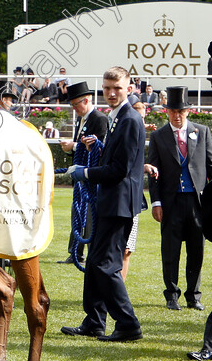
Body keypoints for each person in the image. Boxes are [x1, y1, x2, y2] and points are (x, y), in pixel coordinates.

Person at [61, 67, 145, 342]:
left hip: (120, 202)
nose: (111, 93)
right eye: (107, 88)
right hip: (110, 200)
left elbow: (119, 169)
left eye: (117, 88)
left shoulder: (130, 120)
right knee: (97, 261)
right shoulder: (116, 117)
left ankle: (128, 323)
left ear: (128, 89)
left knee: (105, 265)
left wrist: (84, 172)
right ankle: (95, 321)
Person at [148, 86, 212, 311]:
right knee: (170, 250)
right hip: (171, 202)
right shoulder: (158, 136)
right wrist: (156, 202)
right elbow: (153, 172)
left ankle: (194, 296)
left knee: (197, 250)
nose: (177, 115)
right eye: (173, 111)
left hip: (197, 203)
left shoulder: (202, 132)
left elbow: (211, 167)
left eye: (181, 111)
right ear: (167, 112)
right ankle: (171, 295)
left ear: (188, 111)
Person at [57, 82, 108, 265]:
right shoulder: (81, 119)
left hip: (90, 177)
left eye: (76, 104)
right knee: (77, 212)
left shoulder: (99, 119)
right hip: (79, 175)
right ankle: (75, 252)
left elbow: (99, 147)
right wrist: (70, 149)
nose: (74, 109)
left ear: (86, 100)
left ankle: (84, 252)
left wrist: (75, 146)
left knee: (87, 215)